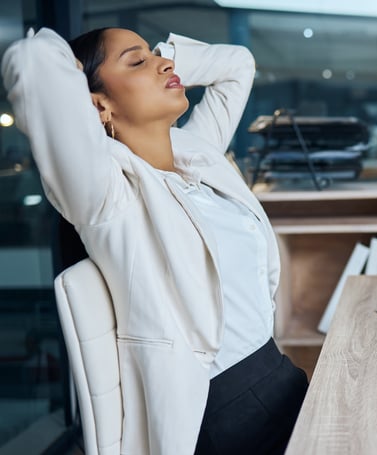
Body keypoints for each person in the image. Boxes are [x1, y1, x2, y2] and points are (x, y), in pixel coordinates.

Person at [2, 26, 308, 454]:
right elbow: (33, 63)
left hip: (281, 377)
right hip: (229, 418)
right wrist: (73, 80)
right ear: (98, 104)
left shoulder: (195, 155)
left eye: (156, 56)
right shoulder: (108, 195)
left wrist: (159, 56)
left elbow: (237, 65)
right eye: (136, 61)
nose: (165, 64)